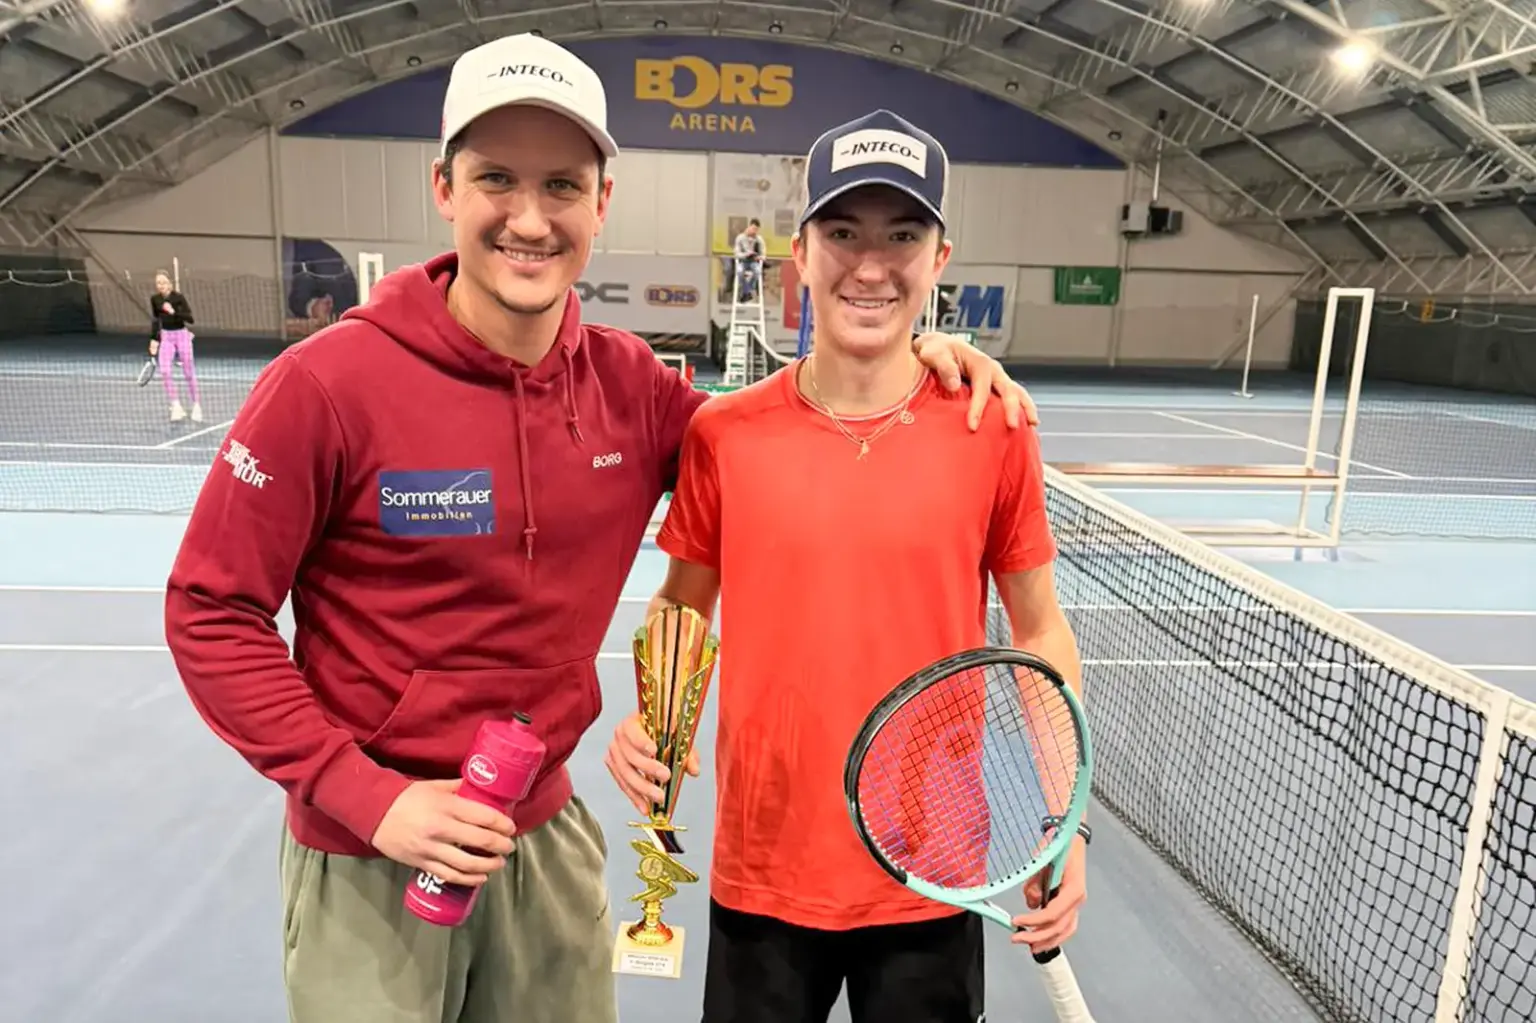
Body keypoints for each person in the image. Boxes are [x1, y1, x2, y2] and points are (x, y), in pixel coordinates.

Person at [163, 33, 1038, 1023]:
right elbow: (210, 612)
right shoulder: (325, 386)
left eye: (563, 186)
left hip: (546, 845)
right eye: (498, 178)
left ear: (601, 204)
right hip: (372, 858)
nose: (530, 218)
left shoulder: (634, 392)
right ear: (444, 186)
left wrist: (918, 352)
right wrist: (370, 796)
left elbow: (784, 430)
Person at [605, 109, 1089, 1023]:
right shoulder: (723, 432)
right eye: (843, 232)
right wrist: (656, 729)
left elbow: (1039, 630)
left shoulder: (996, 428)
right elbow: (681, 608)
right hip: (763, 876)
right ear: (801, 251)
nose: (871, 265)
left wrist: (1068, 817)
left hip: (935, 876)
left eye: (902, 234)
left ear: (940, 257)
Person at [148, 269, 201, 422]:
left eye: (164, 282)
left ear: (170, 284)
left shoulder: (179, 298)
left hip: (182, 336)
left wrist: (174, 312)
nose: (161, 285)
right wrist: (154, 339)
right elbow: (155, 320)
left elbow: (190, 319)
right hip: (166, 338)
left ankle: (196, 405)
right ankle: (176, 406)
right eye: (158, 283)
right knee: (165, 371)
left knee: (188, 372)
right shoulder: (155, 300)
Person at [732, 217, 765, 302]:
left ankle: (746, 291)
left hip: (754, 262)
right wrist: (746, 254)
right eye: (753, 229)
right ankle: (747, 291)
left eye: (757, 230)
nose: (755, 231)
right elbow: (736, 253)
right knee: (739, 271)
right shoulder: (740, 238)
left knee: (758, 271)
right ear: (749, 227)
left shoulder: (759, 239)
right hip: (743, 261)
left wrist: (759, 257)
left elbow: (763, 254)